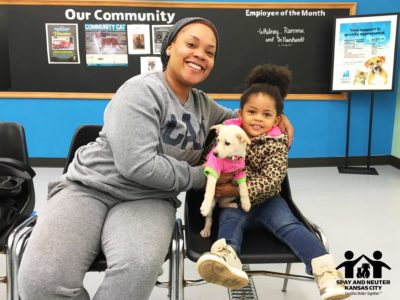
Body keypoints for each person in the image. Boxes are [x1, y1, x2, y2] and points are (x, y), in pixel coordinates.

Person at [18, 18, 293, 300]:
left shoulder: (202, 104)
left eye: (209, 52)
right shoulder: (141, 90)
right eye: (191, 44)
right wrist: (203, 175)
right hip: (89, 188)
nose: (200, 55)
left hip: (150, 199)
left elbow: (244, 116)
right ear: (170, 47)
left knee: (137, 269)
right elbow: (137, 164)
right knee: (41, 283)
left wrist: (278, 119)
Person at [196, 64, 349, 300]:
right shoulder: (227, 133)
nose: (258, 119)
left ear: (276, 119)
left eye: (266, 115)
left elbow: (272, 180)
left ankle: (325, 272)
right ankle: (226, 258)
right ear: (240, 113)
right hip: (233, 204)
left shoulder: (277, 143)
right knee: (228, 222)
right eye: (252, 112)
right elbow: (210, 158)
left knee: (290, 226)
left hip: (269, 201)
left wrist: (234, 187)